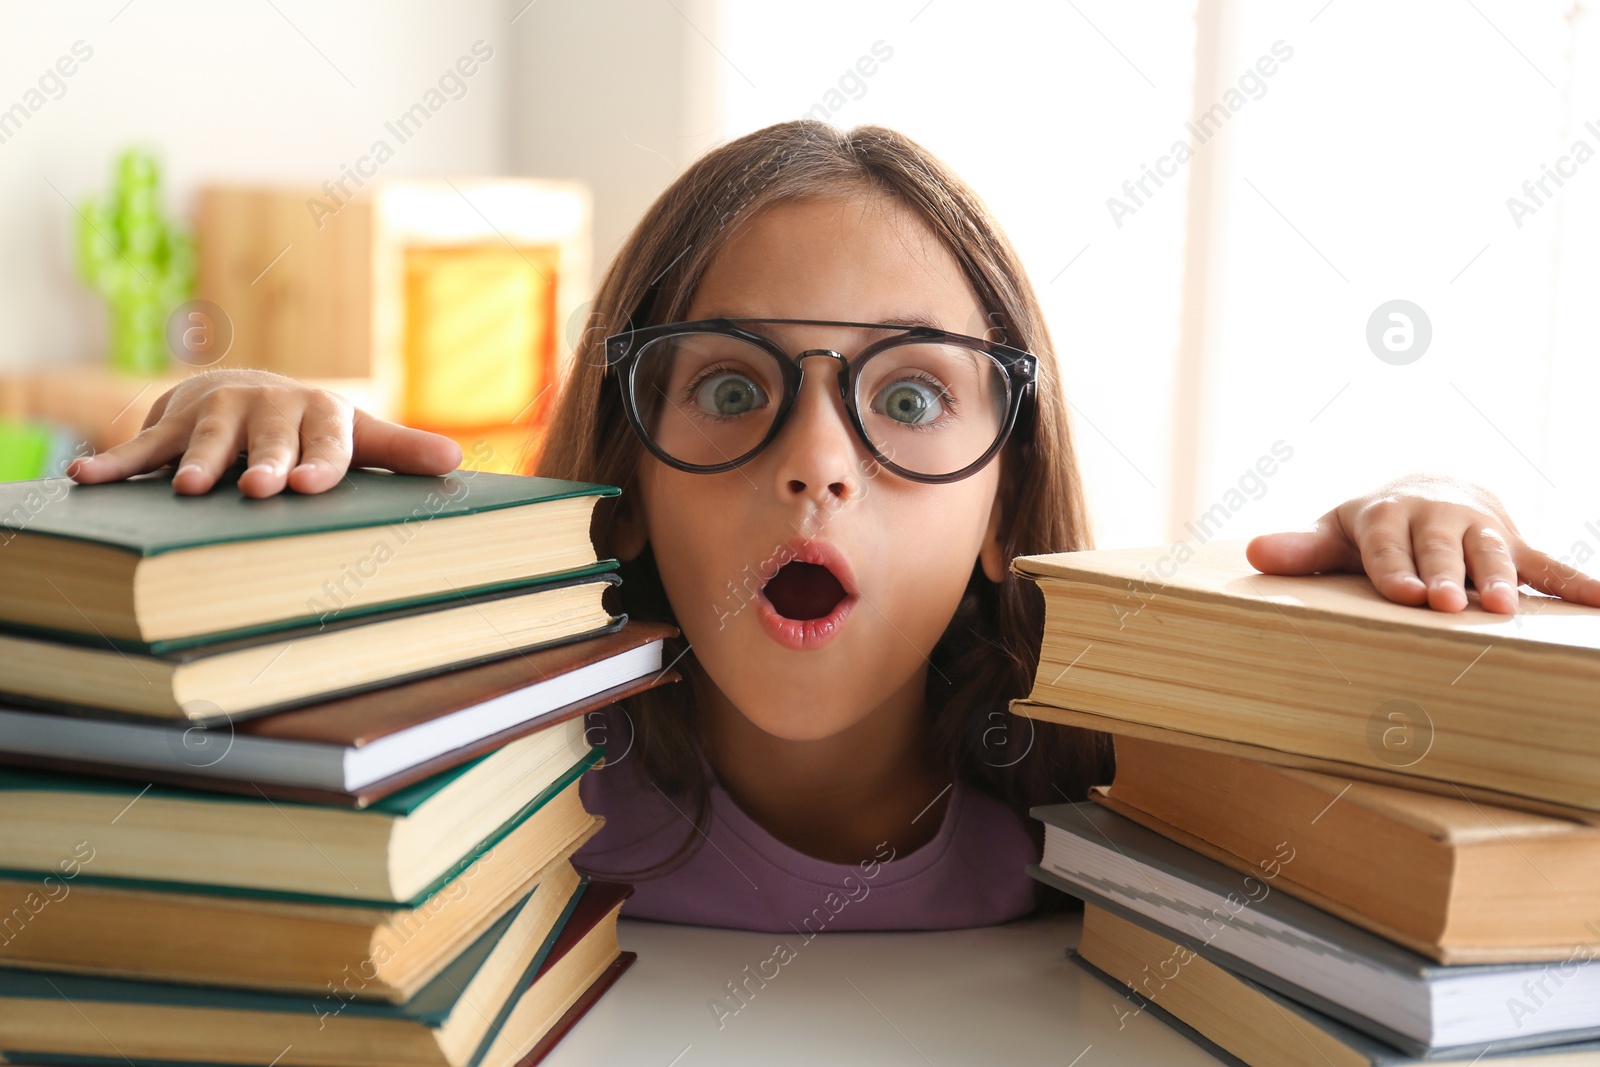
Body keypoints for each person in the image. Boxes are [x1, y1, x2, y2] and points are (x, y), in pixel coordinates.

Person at [67, 121, 1600, 934]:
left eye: (914, 400)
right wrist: (229, 442)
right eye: (730, 386)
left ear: (1012, 501)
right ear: (626, 480)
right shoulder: (484, 819)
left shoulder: (1143, 825)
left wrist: (1438, 523)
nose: (817, 465)